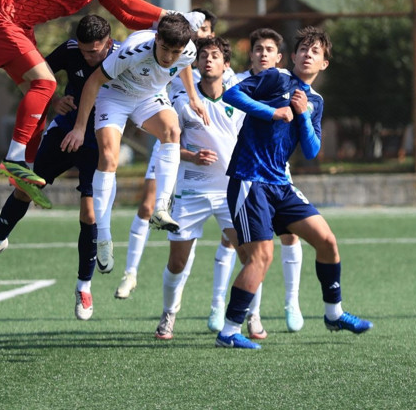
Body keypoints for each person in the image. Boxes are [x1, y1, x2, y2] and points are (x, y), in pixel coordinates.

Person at [0, 0, 204, 208]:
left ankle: (24, 170)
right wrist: (174, 15)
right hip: (2, 19)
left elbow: (125, 16)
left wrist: (167, 29)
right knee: (45, 84)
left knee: (43, 98)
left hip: (18, 25)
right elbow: (126, 1)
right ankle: (14, 159)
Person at [216, 26, 373, 349]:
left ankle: (333, 314)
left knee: (327, 241)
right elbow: (230, 94)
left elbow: (313, 150)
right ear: (293, 55)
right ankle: (229, 331)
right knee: (261, 256)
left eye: (315, 51)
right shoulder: (276, 78)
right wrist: (272, 112)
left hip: (280, 184)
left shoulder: (314, 100)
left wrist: (301, 115)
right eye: (303, 49)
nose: (307, 54)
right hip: (250, 180)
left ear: (324, 64)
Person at [0, 14, 118, 321]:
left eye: (96, 52)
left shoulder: (122, 58)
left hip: (98, 139)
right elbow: (37, 80)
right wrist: (53, 102)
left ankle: (83, 286)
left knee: (89, 212)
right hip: (65, 130)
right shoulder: (70, 49)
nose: (90, 57)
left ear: (110, 42)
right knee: (26, 187)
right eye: (86, 52)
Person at [62, 13, 208, 277]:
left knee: (172, 130)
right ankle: (103, 235)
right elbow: (94, 82)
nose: (168, 57)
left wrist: (194, 97)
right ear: (156, 39)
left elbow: (184, 63)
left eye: (175, 51)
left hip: (148, 96)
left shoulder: (185, 50)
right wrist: (80, 127)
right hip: (115, 95)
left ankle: (161, 208)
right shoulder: (134, 50)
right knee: (109, 158)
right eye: (164, 48)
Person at [114, 9, 227, 300]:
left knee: (222, 231)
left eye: (206, 29)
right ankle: (130, 272)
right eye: (197, 28)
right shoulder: (178, 52)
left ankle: (225, 305)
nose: (202, 33)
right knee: (148, 206)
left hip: (201, 161)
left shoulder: (213, 65)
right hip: (169, 141)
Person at [208, 28, 305, 336]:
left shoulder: (286, 83)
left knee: (290, 236)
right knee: (245, 246)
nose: (263, 53)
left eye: (269, 49)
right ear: (250, 54)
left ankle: (292, 304)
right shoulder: (236, 85)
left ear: (279, 57)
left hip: (277, 175)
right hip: (246, 175)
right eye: (258, 49)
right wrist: (271, 113)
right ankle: (232, 312)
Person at [153, 36, 246, 340]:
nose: (208, 59)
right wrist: (191, 156)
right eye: (203, 55)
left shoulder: (239, 102)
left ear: (226, 65)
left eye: (215, 55)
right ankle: (169, 313)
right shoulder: (182, 103)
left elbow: (249, 145)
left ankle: (247, 317)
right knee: (177, 263)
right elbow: (166, 145)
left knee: (251, 257)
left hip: (229, 193)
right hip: (191, 192)